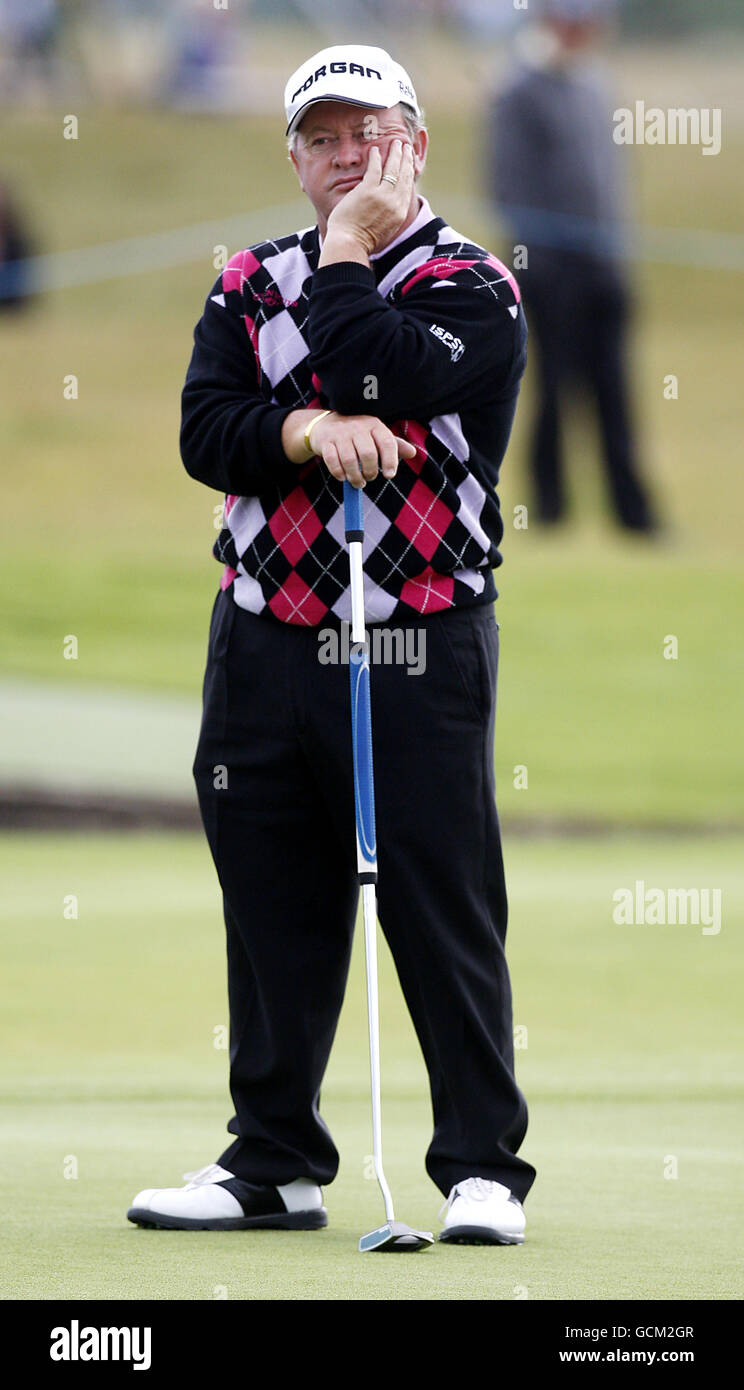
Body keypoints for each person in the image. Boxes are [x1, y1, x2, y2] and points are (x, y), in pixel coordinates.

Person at [127, 44, 536, 1245]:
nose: (345, 155)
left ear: (413, 137)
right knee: (270, 905)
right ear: (294, 153)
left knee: (440, 899)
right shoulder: (249, 279)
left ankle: (480, 1169)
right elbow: (210, 431)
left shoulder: (475, 284)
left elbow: (377, 360)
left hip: (416, 639)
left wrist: (352, 250)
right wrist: (304, 428)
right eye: (321, 137)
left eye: (369, 130)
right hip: (263, 638)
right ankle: (276, 1163)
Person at [488, 0, 659, 531]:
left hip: (604, 264)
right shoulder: (517, 90)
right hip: (550, 270)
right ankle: (549, 507)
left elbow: (610, 181)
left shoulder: (595, 86)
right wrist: (545, 256)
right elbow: (509, 186)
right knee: (553, 390)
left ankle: (632, 512)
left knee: (615, 392)